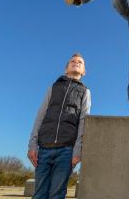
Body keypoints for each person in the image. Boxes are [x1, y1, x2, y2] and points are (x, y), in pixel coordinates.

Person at [27, 53, 91, 199]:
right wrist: (32, 145)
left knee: (57, 194)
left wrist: (77, 150)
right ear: (65, 69)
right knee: (39, 194)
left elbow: (83, 121)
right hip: (44, 149)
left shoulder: (85, 92)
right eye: (72, 61)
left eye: (80, 62)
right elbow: (40, 116)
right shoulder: (53, 88)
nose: (76, 62)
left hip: (66, 151)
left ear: (84, 71)